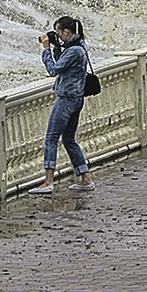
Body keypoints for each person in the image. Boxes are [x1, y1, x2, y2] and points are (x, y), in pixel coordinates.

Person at [29, 16, 95, 194]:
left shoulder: (74, 51)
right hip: (77, 98)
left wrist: (46, 49)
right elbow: (63, 64)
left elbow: (53, 70)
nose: (57, 35)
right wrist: (57, 47)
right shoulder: (80, 46)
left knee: (51, 138)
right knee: (68, 140)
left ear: (66, 31)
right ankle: (86, 178)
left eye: (58, 31)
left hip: (66, 99)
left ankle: (48, 182)